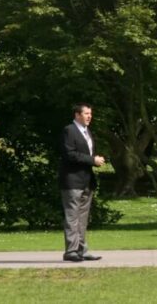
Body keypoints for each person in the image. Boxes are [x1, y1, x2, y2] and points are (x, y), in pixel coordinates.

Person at [59, 103, 105, 262]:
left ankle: (81, 250)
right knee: (72, 217)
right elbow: (70, 154)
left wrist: (94, 160)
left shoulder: (87, 132)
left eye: (90, 113)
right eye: (86, 113)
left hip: (86, 181)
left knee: (82, 218)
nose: (89, 116)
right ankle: (71, 251)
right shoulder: (69, 130)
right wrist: (93, 160)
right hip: (72, 181)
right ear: (77, 115)